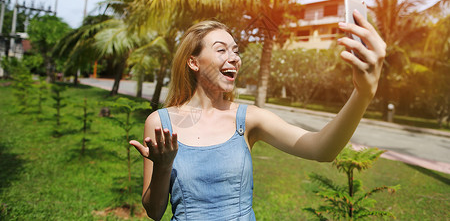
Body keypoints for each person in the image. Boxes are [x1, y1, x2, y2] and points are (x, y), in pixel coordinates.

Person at [130, 13, 386, 221]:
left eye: (236, 51)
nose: (234, 58)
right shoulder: (159, 123)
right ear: (193, 63)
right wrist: (163, 166)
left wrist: (363, 93)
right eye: (221, 50)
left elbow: (322, 149)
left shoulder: (249, 119)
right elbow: (154, 212)